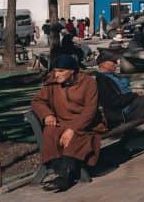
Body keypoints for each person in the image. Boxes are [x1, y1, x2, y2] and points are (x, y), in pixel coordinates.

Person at [29, 55, 103, 192]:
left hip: (85, 123)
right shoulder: (52, 83)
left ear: (72, 71)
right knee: (50, 131)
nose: (56, 74)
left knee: (78, 136)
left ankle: (65, 177)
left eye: (61, 71)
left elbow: (90, 111)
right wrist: (47, 114)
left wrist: (72, 129)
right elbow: (37, 101)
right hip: (62, 122)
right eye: (55, 71)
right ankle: (60, 172)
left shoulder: (88, 83)